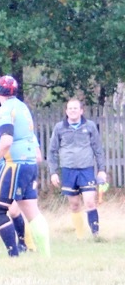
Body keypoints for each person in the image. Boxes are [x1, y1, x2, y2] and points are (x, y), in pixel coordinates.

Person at [0, 75, 51, 257]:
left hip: (14, 164)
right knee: (32, 213)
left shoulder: (5, 111)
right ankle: (46, 256)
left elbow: (6, 141)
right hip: (29, 164)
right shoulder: (23, 108)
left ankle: (14, 254)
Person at [47, 98, 107, 240]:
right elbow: (52, 151)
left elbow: (98, 149)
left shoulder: (90, 126)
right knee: (74, 204)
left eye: (75, 108)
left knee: (90, 202)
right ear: (66, 111)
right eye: (70, 108)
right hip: (68, 170)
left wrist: (101, 170)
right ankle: (80, 236)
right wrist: (53, 172)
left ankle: (96, 235)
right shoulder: (60, 127)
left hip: (86, 169)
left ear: (81, 111)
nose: (72, 111)